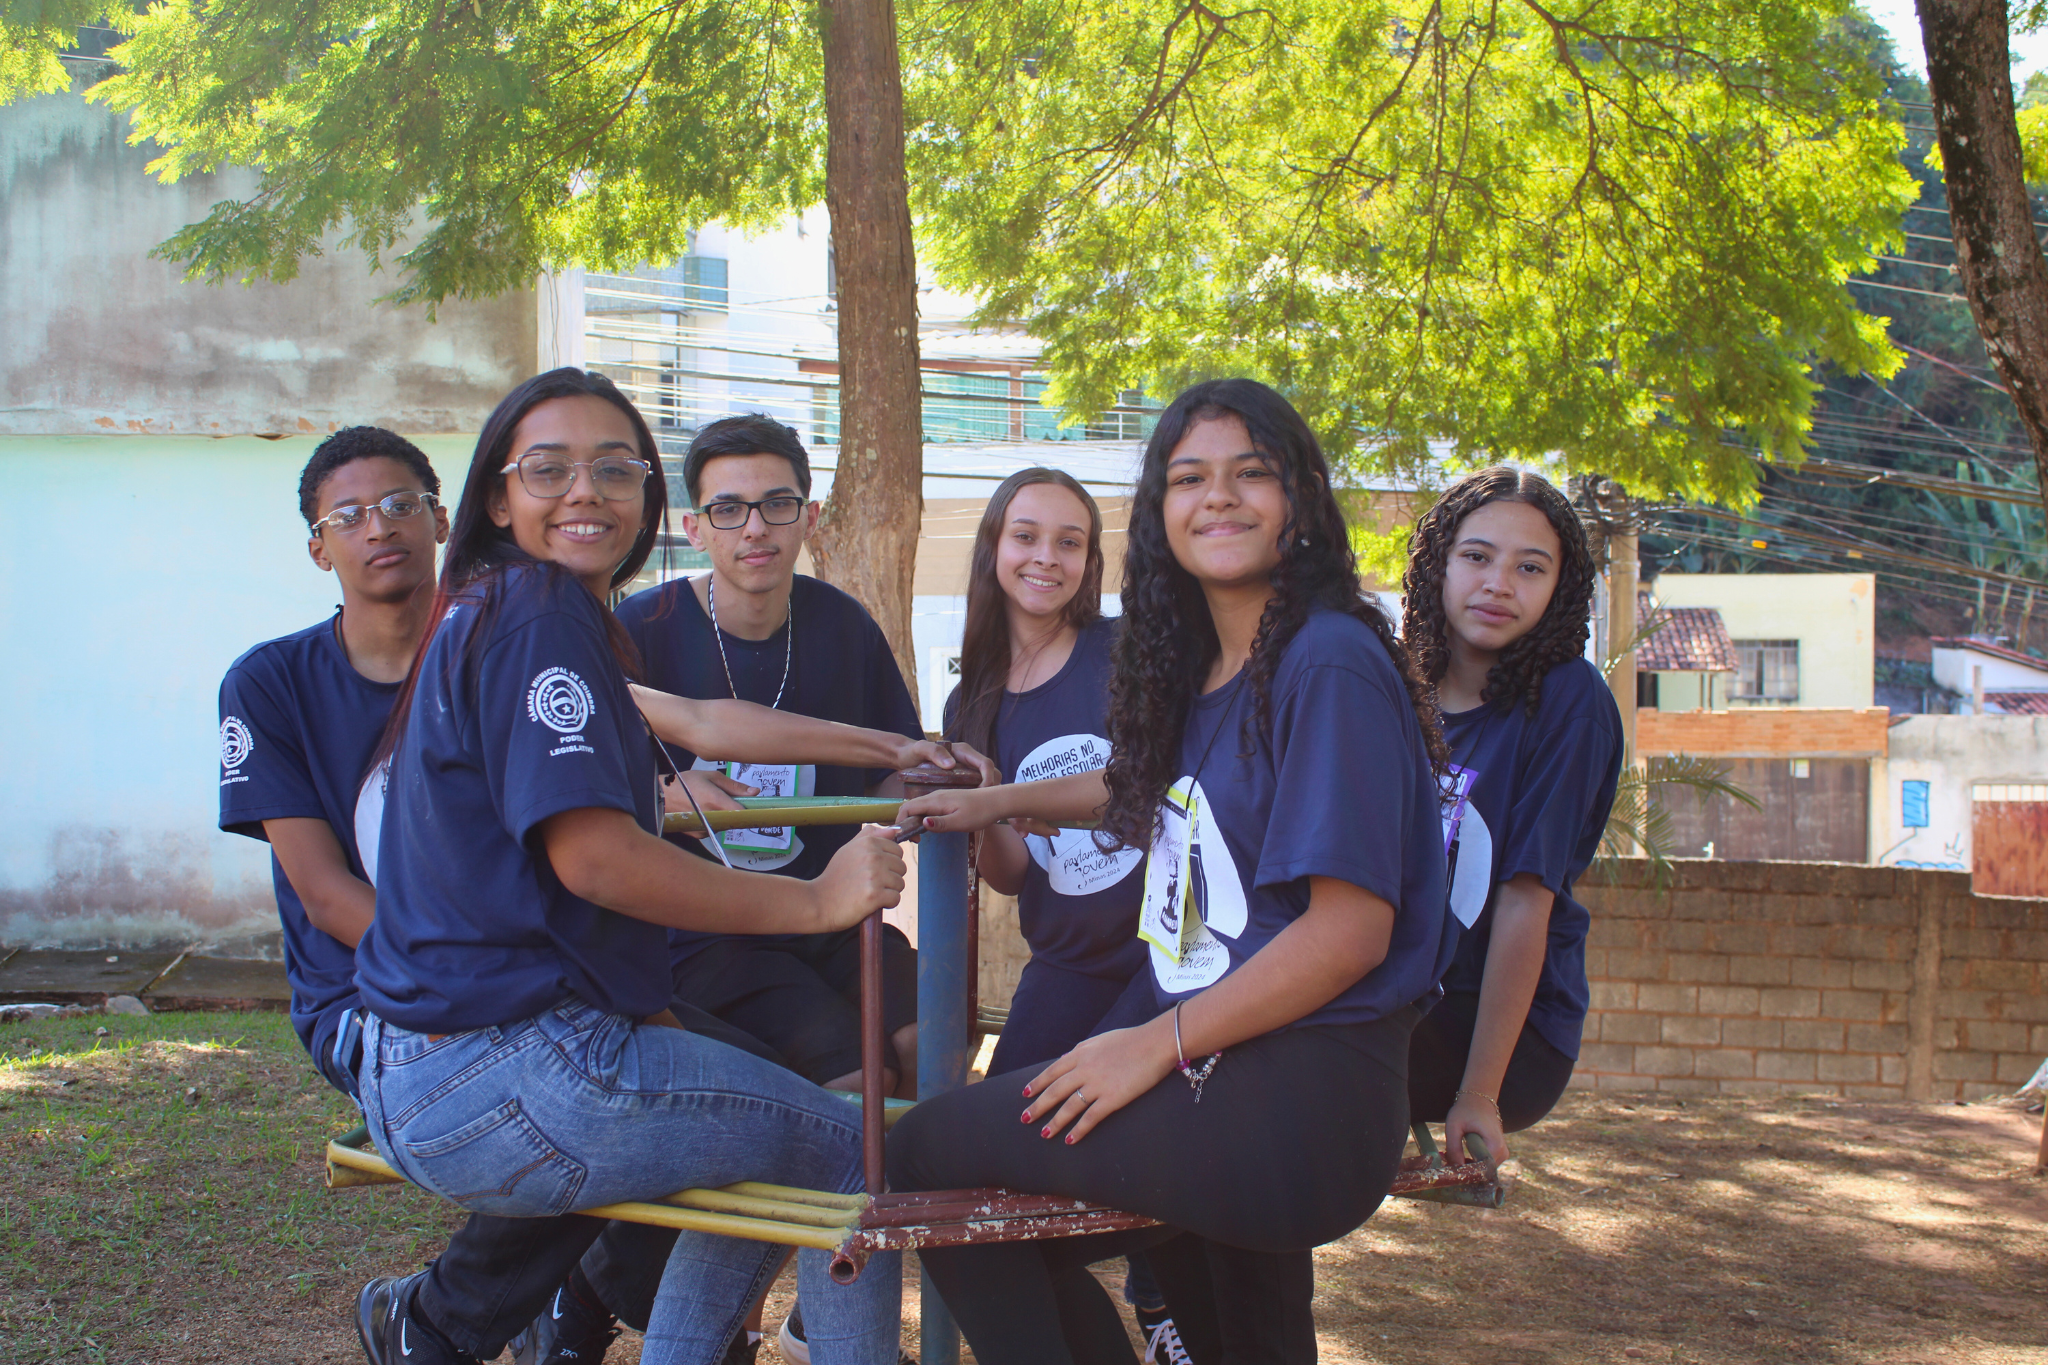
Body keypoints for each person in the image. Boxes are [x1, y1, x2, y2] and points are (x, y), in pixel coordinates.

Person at [350, 368, 938, 1365]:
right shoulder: (540, 619)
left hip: (447, 1057)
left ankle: (508, 1328)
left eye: (614, 468)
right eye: (549, 469)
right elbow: (597, 862)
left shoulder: (512, 608)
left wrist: (892, 751)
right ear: (499, 495)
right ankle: (504, 1315)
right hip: (503, 1065)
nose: (585, 491)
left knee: (769, 1126)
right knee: (853, 1149)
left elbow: (705, 725)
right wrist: (815, 899)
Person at [889, 379, 1456, 1365]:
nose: (1218, 498)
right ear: (1159, 516)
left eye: (1251, 475)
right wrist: (990, 804)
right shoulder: (1202, 681)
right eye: (1188, 478)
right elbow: (1149, 837)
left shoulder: (1323, 661)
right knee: (1229, 1323)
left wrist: (1153, 1045)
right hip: (1225, 1066)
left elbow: (1347, 930)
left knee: (928, 1155)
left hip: (1301, 1088)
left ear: (1301, 499)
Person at [939, 469, 1182, 1361]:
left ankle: (1168, 1310)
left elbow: (1145, 788)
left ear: (1091, 560)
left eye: (1069, 541)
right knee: (1000, 1190)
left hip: (1163, 962)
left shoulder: (1126, 650)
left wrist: (1003, 794)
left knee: (1124, 1170)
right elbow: (1008, 874)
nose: (1046, 557)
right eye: (1027, 536)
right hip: (1066, 964)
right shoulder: (975, 697)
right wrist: (983, 804)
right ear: (994, 545)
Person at [614, 414, 925, 1102]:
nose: (755, 528)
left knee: (926, 1042)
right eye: (728, 509)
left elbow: (896, 763)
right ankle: (856, 1205)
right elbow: (588, 781)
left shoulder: (844, 624)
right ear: (696, 529)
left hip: (836, 913)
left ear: (808, 518)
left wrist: (938, 783)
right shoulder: (642, 628)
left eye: (777, 505)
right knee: (856, 1075)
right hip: (711, 930)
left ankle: (920, 1203)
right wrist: (662, 785)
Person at [1398, 466, 1621, 1165]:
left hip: (1501, 1033)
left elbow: (1528, 900)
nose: (1499, 583)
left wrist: (1481, 1093)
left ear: (1560, 589)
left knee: (1273, 1075)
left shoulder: (1566, 699)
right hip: (1395, 994)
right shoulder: (1400, 692)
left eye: (1531, 566)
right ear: (1438, 564)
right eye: (1477, 556)